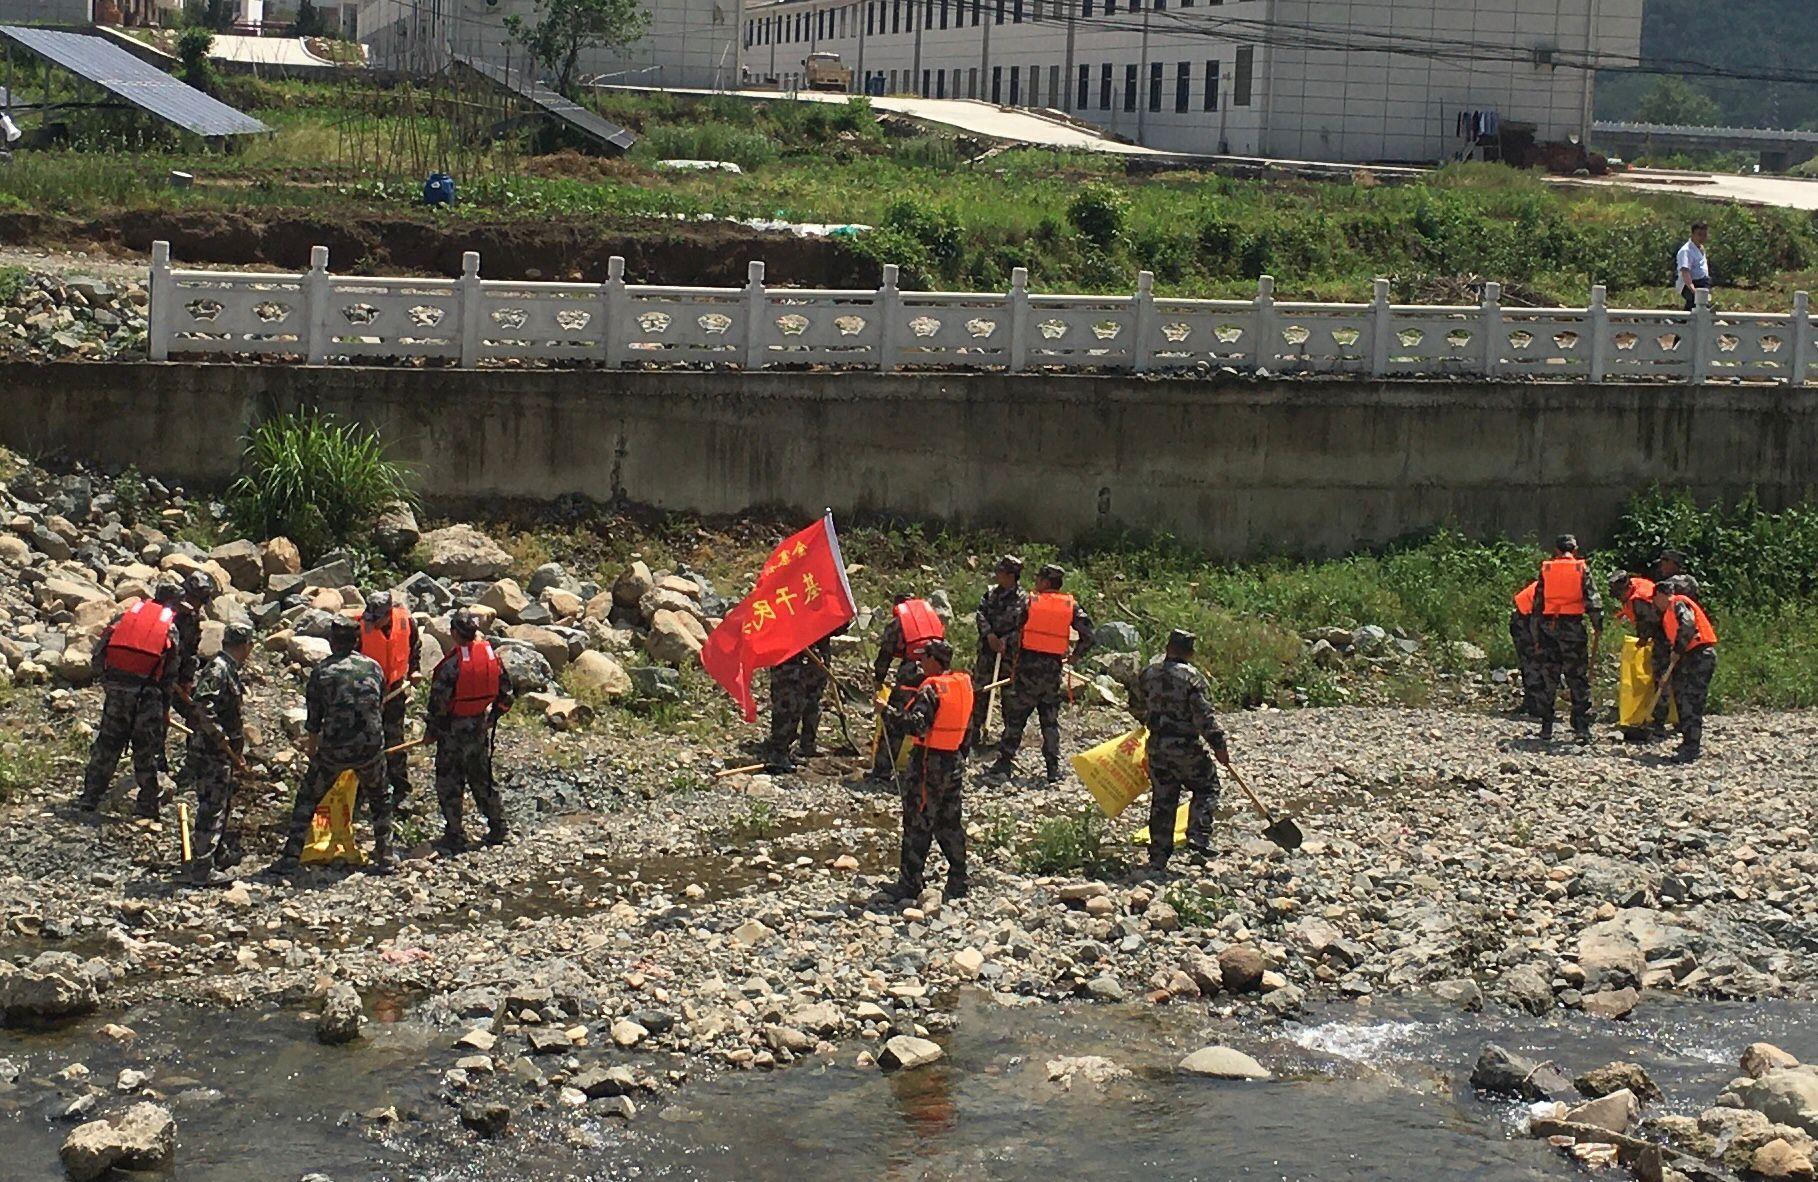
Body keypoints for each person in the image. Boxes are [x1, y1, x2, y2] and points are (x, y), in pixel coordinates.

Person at [270, 616, 394, 875]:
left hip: (334, 748)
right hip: (370, 746)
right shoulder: (374, 668)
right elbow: (379, 705)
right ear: (358, 640)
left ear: (332, 641)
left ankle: (291, 858)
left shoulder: (322, 672)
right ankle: (387, 857)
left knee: (307, 799)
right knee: (380, 799)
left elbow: (314, 720)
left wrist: (313, 749)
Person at [77, 580, 183, 817]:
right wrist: (164, 706)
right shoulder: (170, 627)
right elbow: (170, 672)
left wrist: (107, 682)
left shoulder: (126, 615)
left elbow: (98, 653)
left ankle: (90, 797)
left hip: (117, 690)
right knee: (146, 749)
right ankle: (147, 806)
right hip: (148, 695)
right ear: (173, 603)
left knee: (107, 744)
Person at [1129, 629, 1229, 875]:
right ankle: (1198, 836)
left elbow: (1135, 704)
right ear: (1190, 652)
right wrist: (1218, 745)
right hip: (1185, 746)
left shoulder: (1149, 672)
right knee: (1207, 787)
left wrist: (1152, 722)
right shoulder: (1192, 679)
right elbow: (1204, 717)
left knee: (1163, 798)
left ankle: (1158, 856)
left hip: (1157, 746)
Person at [882, 639, 972, 902]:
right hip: (953, 760)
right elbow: (969, 726)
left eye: (925, 658)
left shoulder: (931, 689)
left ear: (935, 660)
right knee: (949, 822)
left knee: (917, 822)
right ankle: (958, 878)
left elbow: (917, 726)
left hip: (928, 763)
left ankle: (910, 883)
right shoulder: (963, 685)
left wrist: (887, 713)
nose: (920, 663)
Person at [988, 563, 1093, 784]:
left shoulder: (1030, 601)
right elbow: (1089, 634)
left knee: (1016, 718)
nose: (1035, 582)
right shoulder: (1071, 606)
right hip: (1052, 670)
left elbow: (1014, 628)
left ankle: (1004, 763)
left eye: (1038, 579)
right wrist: (1076, 655)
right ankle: (1052, 769)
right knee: (1050, 720)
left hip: (1027, 667)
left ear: (1046, 582)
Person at [426, 610, 513, 852]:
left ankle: (455, 834)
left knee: (449, 781)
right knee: (482, 779)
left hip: (452, 731)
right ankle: (498, 827)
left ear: (454, 634)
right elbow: (507, 695)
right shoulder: (492, 657)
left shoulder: (450, 666)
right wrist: (493, 716)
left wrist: (433, 730)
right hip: (478, 727)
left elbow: (438, 704)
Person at [183, 623, 255, 885]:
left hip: (221, 752)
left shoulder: (229, 669)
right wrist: (220, 737)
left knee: (220, 803)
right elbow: (203, 706)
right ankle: (202, 868)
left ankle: (214, 855)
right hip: (211, 751)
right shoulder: (218, 669)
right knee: (212, 806)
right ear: (246, 645)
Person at [1527, 534, 1602, 745]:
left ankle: (1547, 725)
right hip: (1572, 629)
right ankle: (1581, 727)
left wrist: (1536, 635)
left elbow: (1537, 604)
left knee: (1549, 676)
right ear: (1574, 550)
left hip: (1548, 628)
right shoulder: (1580, 568)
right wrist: (1598, 624)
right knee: (1577, 677)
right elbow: (1592, 600)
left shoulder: (1546, 569)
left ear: (1557, 550)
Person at [870, 592, 943, 781]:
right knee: (926, 719)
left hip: (911, 673)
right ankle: (921, 769)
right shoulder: (930, 616)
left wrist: (878, 679)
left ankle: (882, 771)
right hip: (935, 672)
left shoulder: (899, 622)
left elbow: (885, 653)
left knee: (895, 718)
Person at [360, 591, 421, 814]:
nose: (372, 623)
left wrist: (414, 670)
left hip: (395, 691)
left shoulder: (406, 622)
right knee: (365, 741)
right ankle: (360, 792)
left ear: (388, 614)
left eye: (377, 619)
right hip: (367, 693)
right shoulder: (361, 627)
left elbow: (415, 647)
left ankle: (401, 791)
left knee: (394, 740)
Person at [1653, 577, 1718, 761]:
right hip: (1689, 657)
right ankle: (1688, 740)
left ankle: (1692, 748)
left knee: (1691, 700)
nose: (1655, 604)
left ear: (1661, 595)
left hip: (1699, 655)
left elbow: (1687, 625)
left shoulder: (1677, 603)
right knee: (1681, 697)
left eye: (1655, 599)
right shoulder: (1668, 614)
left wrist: (1677, 649)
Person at [966, 555, 1028, 749]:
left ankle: (1007, 740)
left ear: (1011, 576)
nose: (997, 575)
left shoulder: (1024, 600)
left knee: (1010, 697)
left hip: (1009, 656)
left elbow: (1024, 627)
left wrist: (1006, 640)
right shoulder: (991, 593)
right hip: (987, 652)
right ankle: (974, 733)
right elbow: (980, 614)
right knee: (979, 691)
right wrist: (989, 635)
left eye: (1001, 572)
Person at [1611, 572, 1670, 739]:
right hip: (1665, 633)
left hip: (1665, 637)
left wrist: (1642, 640)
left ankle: (1658, 723)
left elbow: (1650, 623)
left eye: (1620, 594)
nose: (1619, 598)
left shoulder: (1639, 599)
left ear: (1627, 587)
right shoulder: (1637, 584)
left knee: (1661, 678)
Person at [764, 635, 832, 773]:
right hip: (786, 664)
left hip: (803, 666)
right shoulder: (784, 618)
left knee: (797, 707)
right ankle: (778, 754)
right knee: (785, 709)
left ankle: (790, 750)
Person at [1509, 580, 1542, 717]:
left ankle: (1533, 702)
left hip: (1527, 616)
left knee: (1532, 662)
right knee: (1532, 661)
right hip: (1524, 618)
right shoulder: (1550, 587)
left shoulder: (1556, 581)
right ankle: (1534, 704)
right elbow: (1536, 616)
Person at [1676, 221, 1711, 312]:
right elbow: (1685, 271)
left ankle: (1682, 323)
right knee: (1694, 304)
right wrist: (1693, 289)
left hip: (1702, 282)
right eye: (1699, 234)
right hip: (1690, 284)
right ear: (1692, 235)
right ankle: (1682, 323)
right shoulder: (1686, 251)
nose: (1702, 238)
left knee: (1697, 307)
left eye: (1704, 235)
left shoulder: (1701, 248)